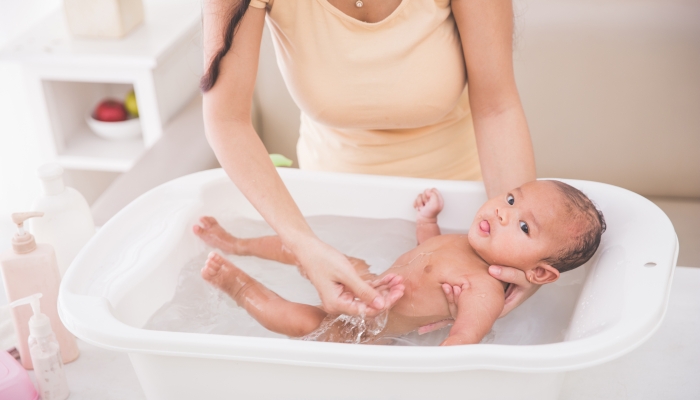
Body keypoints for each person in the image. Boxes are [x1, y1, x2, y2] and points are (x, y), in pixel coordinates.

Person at [201, 0, 538, 316]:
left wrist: (521, 251)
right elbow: (226, 118)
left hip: (460, 205)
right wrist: (305, 245)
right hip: (328, 216)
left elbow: (497, 108)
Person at [192, 180, 606, 345]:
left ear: (537, 273)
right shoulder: (472, 243)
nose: (501, 212)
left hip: (364, 327)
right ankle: (239, 242)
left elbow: (462, 342)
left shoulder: (482, 290)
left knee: (307, 323)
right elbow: (430, 250)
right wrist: (428, 222)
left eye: (523, 226)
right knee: (310, 250)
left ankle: (240, 287)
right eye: (511, 199)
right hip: (371, 283)